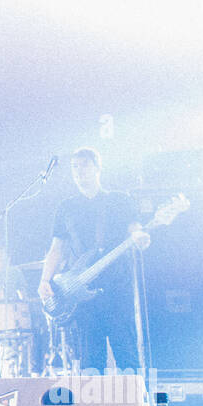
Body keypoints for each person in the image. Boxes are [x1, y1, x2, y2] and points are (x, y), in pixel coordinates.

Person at [37, 148, 150, 372]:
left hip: (117, 288)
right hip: (82, 293)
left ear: (98, 168)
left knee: (127, 354)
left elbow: (136, 231)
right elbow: (56, 249)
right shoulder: (66, 207)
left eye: (85, 165)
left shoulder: (119, 201)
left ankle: (136, 404)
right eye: (75, 167)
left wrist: (141, 237)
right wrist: (44, 280)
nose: (79, 171)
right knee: (91, 360)